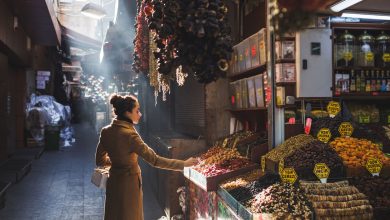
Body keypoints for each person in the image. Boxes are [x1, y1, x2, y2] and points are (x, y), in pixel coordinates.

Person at [95, 94, 198, 220]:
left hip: (114, 182)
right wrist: (183, 164)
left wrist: (118, 163)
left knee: (114, 215)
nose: (140, 114)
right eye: (137, 110)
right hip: (129, 184)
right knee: (130, 215)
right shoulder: (130, 135)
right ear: (127, 112)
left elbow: (99, 160)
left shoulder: (106, 131)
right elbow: (154, 160)